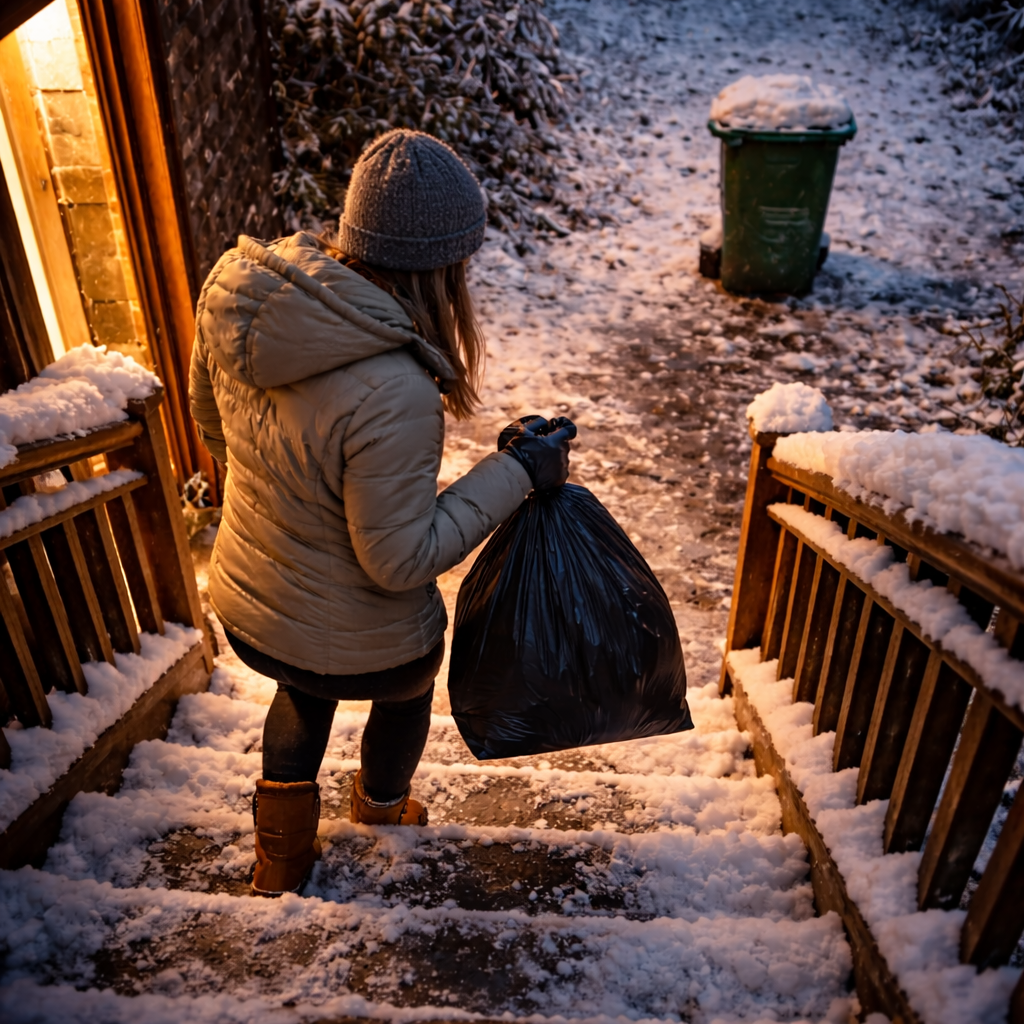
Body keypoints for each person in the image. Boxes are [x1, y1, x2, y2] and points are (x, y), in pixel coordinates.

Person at [189, 129, 575, 897]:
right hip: (365, 642)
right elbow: (398, 560)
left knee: (301, 689)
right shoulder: (393, 388)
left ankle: (279, 859)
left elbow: (211, 424)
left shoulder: (241, 303)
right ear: (441, 270)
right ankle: (381, 810)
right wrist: (517, 472)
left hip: (252, 606)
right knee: (406, 684)